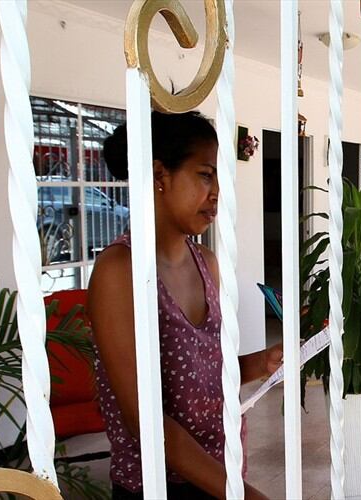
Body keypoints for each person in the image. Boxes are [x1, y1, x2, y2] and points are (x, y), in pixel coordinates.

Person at [89, 111, 280, 499]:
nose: (216, 193)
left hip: (220, 471)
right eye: (205, 175)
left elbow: (207, 376)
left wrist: (265, 363)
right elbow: (146, 422)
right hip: (157, 486)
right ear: (161, 176)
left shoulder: (206, 264)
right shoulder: (120, 271)